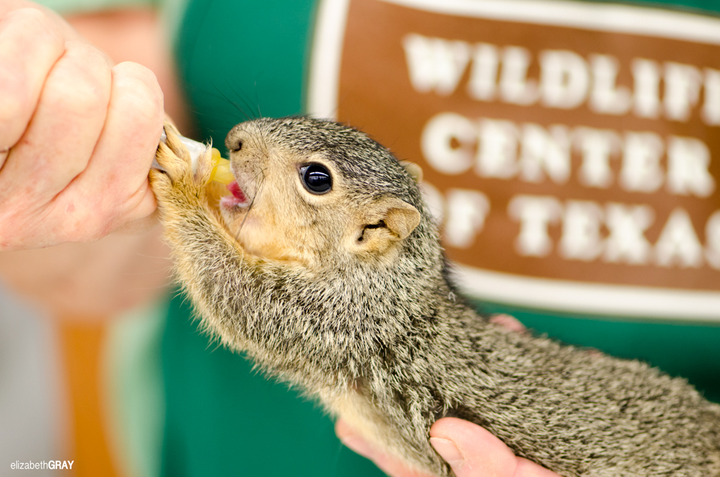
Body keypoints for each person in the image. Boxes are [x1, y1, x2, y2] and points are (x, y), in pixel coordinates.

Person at [1, 1, 718, 476]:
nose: (242, 140)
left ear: (374, 230)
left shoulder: (356, 313)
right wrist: (60, 123)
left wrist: (189, 199)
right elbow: (81, 243)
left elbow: (244, 308)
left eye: (313, 179)